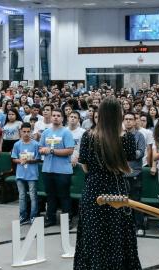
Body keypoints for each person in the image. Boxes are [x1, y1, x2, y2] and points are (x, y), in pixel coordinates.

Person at [74, 97, 140, 270]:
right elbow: (127, 164)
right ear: (119, 115)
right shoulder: (127, 138)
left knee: (93, 236)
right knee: (118, 234)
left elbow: (85, 167)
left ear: (100, 115)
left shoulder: (88, 136)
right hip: (116, 188)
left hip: (93, 190)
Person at [39, 108, 75, 227]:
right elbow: (40, 148)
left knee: (64, 196)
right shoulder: (46, 132)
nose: (55, 117)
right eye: (53, 115)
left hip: (63, 170)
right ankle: (51, 218)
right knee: (50, 195)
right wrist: (43, 151)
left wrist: (52, 150)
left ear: (62, 118)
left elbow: (70, 150)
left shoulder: (66, 132)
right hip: (47, 169)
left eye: (58, 115)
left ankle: (67, 220)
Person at [11, 123, 41, 225]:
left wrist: (28, 160)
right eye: (24, 131)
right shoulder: (17, 144)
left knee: (33, 196)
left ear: (31, 132)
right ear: (20, 132)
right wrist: (20, 161)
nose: (26, 133)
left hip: (32, 174)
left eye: (28, 131)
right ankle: (23, 216)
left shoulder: (36, 144)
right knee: (22, 196)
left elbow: (38, 159)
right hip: (20, 174)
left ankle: (33, 216)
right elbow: (14, 158)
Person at [122, 111, 147, 236]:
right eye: (126, 119)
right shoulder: (119, 135)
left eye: (130, 119)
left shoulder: (139, 136)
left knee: (136, 201)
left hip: (134, 173)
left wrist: (126, 154)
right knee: (121, 201)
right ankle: (125, 227)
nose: (128, 121)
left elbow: (140, 153)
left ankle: (140, 226)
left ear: (135, 121)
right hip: (121, 173)